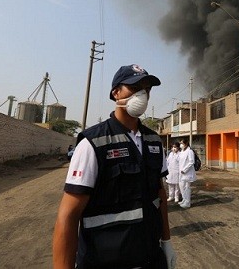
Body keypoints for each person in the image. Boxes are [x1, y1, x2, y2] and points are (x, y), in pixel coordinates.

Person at [53, 64, 177, 269]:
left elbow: (160, 195)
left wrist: (167, 241)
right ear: (116, 92)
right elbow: (68, 215)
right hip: (104, 262)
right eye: (135, 88)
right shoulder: (93, 143)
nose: (143, 95)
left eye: (147, 89)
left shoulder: (154, 142)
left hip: (150, 260)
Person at [177, 138, 196, 209]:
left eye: (182, 143)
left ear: (186, 143)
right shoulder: (182, 151)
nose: (181, 145)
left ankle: (187, 202)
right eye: (180, 143)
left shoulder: (190, 151)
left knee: (187, 187)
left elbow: (191, 162)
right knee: (182, 186)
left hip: (187, 173)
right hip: (181, 172)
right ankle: (184, 200)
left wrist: (184, 170)